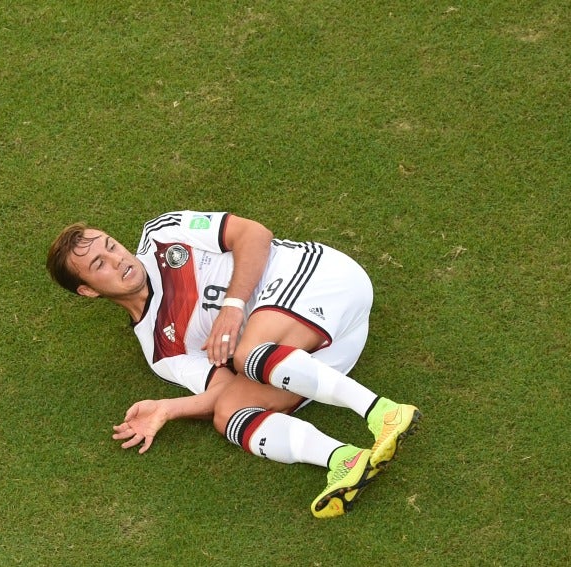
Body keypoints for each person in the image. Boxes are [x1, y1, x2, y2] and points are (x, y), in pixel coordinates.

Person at [46, 210, 421, 518]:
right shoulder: (161, 349)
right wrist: (167, 408)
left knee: (246, 353)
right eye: (100, 264)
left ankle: (382, 411)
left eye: (112, 246)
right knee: (228, 413)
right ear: (88, 290)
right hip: (326, 352)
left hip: (327, 280)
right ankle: (344, 459)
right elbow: (222, 390)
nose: (119, 260)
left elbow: (253, 234)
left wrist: (232, 306)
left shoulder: (164, 233)